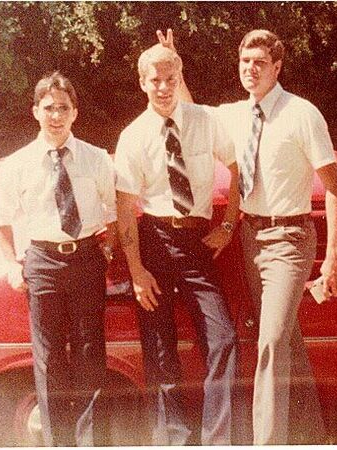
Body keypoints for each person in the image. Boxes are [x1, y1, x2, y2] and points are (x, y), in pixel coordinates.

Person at [158, 29, 337, 444]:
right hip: (250, 238)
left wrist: (335, 256)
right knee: (287, 345)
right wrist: (177, 64)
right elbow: (192, 112)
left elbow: (335, 187)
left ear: (277, 67)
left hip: (291, 239)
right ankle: (311, 439)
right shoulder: (235, 113)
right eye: (245, 62)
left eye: (260, 62)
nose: (251, 69)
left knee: (272, 343)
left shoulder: (302, 114)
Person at [114, 43, 239, 445]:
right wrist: (136, 270)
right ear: (142, 83)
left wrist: (229, 225)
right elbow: (124, 205)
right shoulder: (132, 136)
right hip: (154, 241)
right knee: (160, 346)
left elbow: (239, 167)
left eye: (171, 79)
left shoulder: (206, 120)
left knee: (224, 339)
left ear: (179, 78)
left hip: (198, 241)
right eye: (156, 80)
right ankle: (174, 439)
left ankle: (217, 439)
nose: (164, 87)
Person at [0, 71, 117, 447]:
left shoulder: (96, 159)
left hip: (86, 258)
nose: (56, 116)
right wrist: (14, 264)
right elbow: (0, 220)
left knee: (90, 349)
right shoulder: (17, 164)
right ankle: (59, 443)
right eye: (48, 108)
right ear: (35, 111)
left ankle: (91, 440)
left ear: (75, 112)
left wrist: (108, 249)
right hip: (42, 262)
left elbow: (115, 211)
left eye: (63, 108)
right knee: (49, 358)